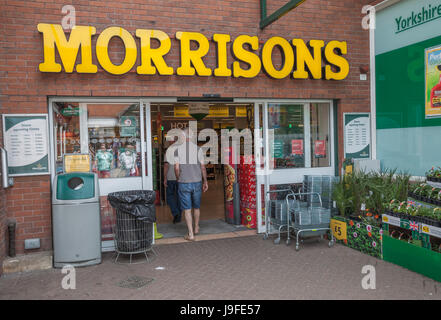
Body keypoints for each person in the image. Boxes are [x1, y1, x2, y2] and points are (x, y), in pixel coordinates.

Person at [174, 128, 208, 241]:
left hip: (184, 182)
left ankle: (191, 234)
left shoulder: (177, 150)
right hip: (197, 181)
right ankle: (196, 227)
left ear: (184, 137)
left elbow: (176, 168)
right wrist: (205, 181)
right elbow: (203, 167)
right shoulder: (198, 149)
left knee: (187, 209)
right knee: (197, 207)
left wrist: (178, 178)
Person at [164, 147, 181, 223]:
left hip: (170, 178)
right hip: (180, 178)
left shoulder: (168, 152)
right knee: (179, 197)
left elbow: (166, 166)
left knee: (169, 197)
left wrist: (164, 178)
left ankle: (176, 212)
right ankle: (178, 216)